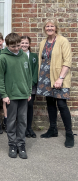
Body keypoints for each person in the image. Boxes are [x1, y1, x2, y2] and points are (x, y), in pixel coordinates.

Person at [37, 18, 74, 148]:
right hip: (45, 77)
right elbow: (41, 59)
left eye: (52, 26)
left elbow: (68, 61)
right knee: (50, 103)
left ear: (56, 28)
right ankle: (53, 129)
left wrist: (61, 78)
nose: (49, 28)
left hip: (59, 77)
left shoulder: (63, 41)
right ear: (44, 28)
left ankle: (69, 134)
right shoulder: (43, 42)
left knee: (62, 104)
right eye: (47, 26)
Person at [0, 33, 32, 159]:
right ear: (7, 45)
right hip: (10, 96)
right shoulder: (2, 58)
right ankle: (12, 144)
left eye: (18, 45)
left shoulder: (24, 56)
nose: (16, 48)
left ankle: (21, 145)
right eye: (13, 46)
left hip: (23, 94)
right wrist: (4, 95)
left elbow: (29, 75)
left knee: (22, 121)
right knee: (11, 121)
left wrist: (29, 91)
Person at [20, 36, 39, 138]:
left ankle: (29, 128)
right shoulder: (17, 55)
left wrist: (32, 82)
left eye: (26, 43)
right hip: (21, 86)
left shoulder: (33, 56)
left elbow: (35, 70)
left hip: (31, 85)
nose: (24, 45)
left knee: (30, 106)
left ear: (29, 44)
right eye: (22, 43)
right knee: (22, 107)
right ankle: (23, 129)